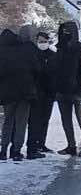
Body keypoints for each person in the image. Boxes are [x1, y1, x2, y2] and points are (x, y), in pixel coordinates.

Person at [52, 21, 81, 156]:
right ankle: (71, 146)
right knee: (66, 120)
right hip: (62, 91)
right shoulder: (60, 49)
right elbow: (56, 70)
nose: (65, 34)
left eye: (67, 31)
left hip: (77, 92)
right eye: (63, 32)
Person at [0, 28, 39, 162]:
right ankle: (16, 151)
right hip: (24, 92)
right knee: (21, 122)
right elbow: (36, 69)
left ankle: (3, 150)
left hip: (6, 94)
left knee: (7, 122)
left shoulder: (1, 51)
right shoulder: (24, 50)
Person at [27, 28, 55, 158]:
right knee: (34, 121)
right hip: (36, 93)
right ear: (36, 41)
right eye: (40, 41)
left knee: (45, 119)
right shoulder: (32, 54)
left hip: (49, 93)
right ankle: (32, 145)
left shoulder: (52, 55)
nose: (42, 43)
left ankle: (41, 143)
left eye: (45, 41)